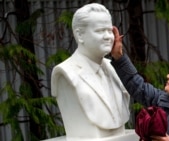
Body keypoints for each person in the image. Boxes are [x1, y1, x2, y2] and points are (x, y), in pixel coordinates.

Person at [50, 3, 130, 139]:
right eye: (100, 31)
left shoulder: (114, 68)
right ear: (80, 35)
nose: (108, 37)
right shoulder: (65, 73)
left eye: (109, 30)